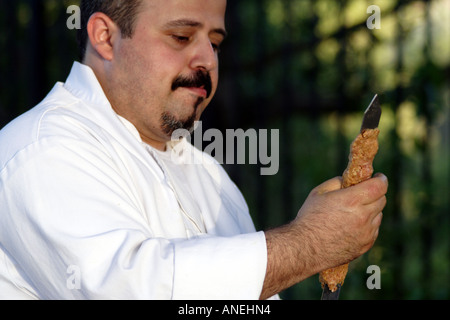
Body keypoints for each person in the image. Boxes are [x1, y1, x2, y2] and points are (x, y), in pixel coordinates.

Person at [0, 0, 388, 300]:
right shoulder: (40, 150)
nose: (207, 61)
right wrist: (310, 242)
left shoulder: (207, 174)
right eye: (182, 37)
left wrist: (323, 237)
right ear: (105, 37)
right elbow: (136, 291)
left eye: (215, 42)